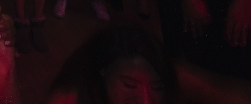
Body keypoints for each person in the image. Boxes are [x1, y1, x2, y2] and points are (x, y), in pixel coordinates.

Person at [47, 25, 178, 104]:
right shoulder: (71, 98)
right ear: (103, 73)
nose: (146, 101)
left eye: (157, 88)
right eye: (130, 85)